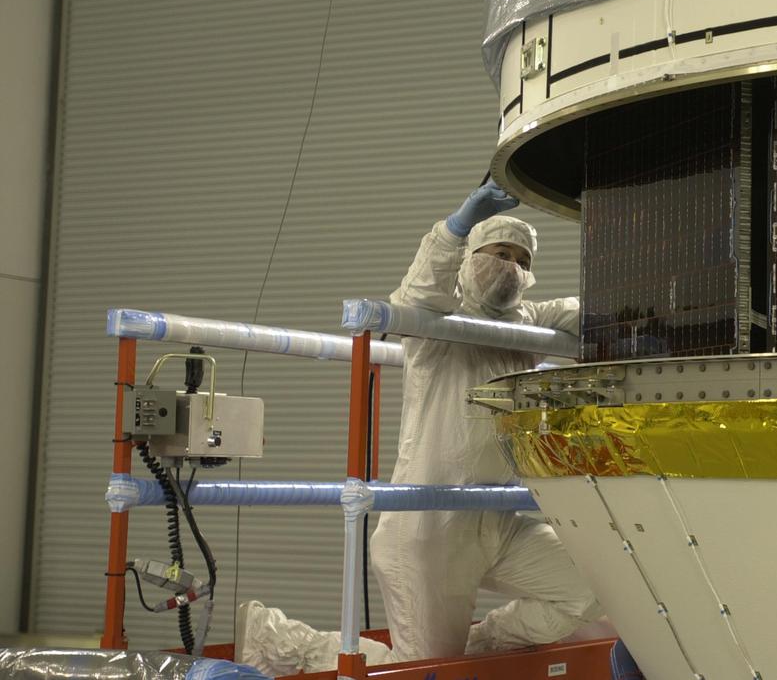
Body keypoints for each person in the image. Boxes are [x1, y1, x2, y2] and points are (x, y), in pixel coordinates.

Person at [237, 180, 603, 674]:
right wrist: (454, 228)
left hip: (497, 523)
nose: (511, 267)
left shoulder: (529, 322)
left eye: (523, 260)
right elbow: (418, 293)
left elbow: (589, 310)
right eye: (500, 253)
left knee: (593, 585)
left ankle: (473, 647)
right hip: (427, 529)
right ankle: (276, 640)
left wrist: (639, 313)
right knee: (419, 669)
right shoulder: (436, 325)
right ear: (471, 257)